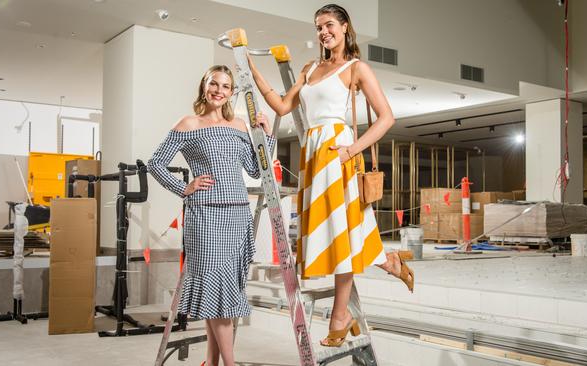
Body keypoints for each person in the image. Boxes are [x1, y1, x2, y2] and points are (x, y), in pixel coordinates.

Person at [247, 4, 414, 347]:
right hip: (314, 153)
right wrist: (251, 69)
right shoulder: (309, 69)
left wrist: (351, 151)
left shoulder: (356, 68)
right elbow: (281, 106)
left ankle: (341, 315)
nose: (323, 31)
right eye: (319, 27)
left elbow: (386, 118)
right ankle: (388, 262)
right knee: (343, 233)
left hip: (339, 153)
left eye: (329, 25)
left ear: (344, 27)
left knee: (343, 233)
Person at [148, 65, 275, 366]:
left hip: (237, 215)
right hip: (204, 216)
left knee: (221, 292)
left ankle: (211, 363)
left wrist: (267, 136)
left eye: (226, 86)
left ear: (231, 93)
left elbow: (257, 170)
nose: (219, 90)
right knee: (216, 287)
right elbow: (156, 163)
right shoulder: (188, 123)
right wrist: (184, 187)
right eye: (213, 84)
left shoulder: (240, 125)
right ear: (204, 86)